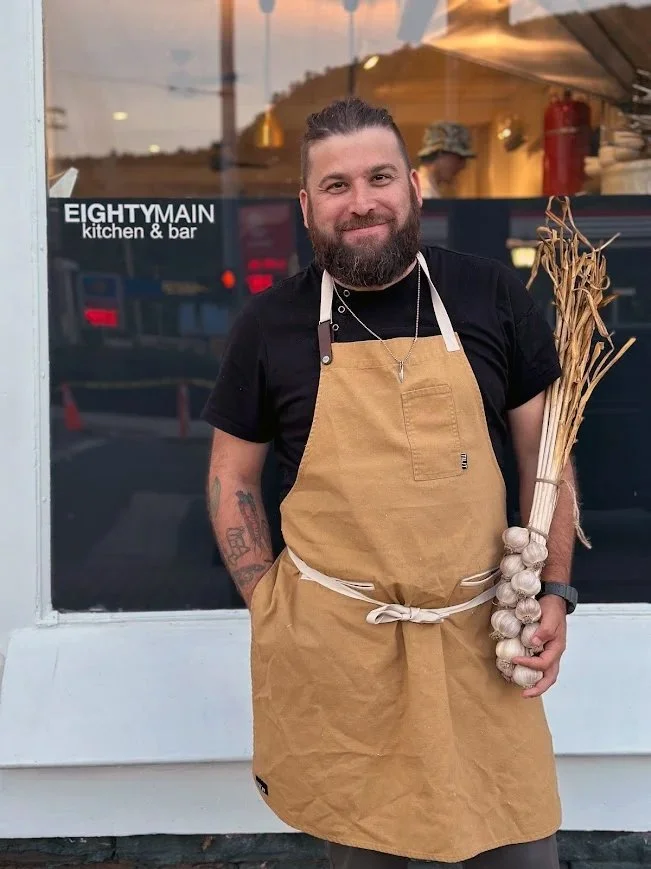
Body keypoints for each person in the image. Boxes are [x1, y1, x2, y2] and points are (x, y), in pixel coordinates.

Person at [202, 96, 579, 869]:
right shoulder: (269, 325)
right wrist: (271, 605)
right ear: (306, 206)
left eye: (378, 177)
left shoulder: (487, 295)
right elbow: (231, 475)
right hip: (344, 664)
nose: (361, 201)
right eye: (334, 185)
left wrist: (554, 591)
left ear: (413, 185)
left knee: (519, 847)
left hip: (483, 648)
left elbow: (547, 453)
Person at [417, 120, 475, 198]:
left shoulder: (425, 187)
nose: (463, 165)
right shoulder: (424, 193)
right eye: (459, 157)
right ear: (440, 153)